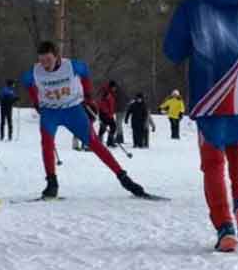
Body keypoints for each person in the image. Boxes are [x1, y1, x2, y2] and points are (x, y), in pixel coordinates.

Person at [163, 0, 238, 252]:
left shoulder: (193, 5)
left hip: (209, 97)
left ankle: (225, 227)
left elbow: (172, 50)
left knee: (213, 163)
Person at [21, 40, 148, 199]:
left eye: (48, 60)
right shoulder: (35, 71)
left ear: (57, 57)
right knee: (46, 143)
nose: (45, 64)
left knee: (94, 143)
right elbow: (26, 82)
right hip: (50, 111)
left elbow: (85, 72)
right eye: (41, 60)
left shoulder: (71, 66)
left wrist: (88, 97)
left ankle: (124, 178)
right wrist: (36, 101)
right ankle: (51, 184)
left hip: (73, 110)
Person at [97, 81, 118, 147]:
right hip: (104, 113)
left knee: (113, 127)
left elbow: (111, 104)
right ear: (111, 87)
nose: (115, 89)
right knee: (103, 127)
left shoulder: (111, 93)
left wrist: (111, 113)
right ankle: (98, 141)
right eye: (114, 87)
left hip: (109, 114)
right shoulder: (106, 93)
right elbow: (101, 104)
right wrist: (107, 112)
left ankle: (110, 141)